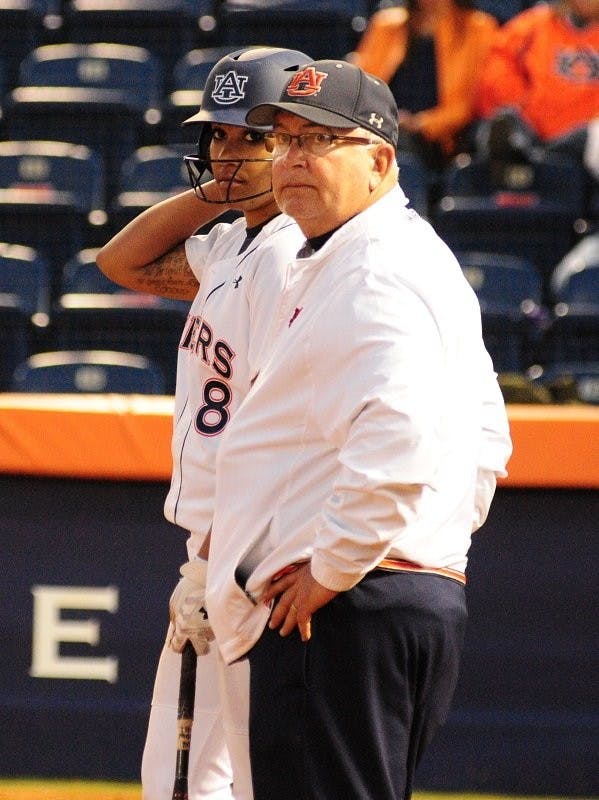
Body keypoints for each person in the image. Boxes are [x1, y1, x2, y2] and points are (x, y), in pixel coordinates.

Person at [203, 60, 513, 799]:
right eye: (283, 141)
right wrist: (427, 549)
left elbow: (397, 438)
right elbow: (486, 432)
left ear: (378, 159)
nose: (294, 159)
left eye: (320, 141)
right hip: (385, 594)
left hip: (344, 611)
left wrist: (339, 565)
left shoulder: (374, 269)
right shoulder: (379, 256)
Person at [95, 46, 310, 800]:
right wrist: (221, 193)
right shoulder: (232, 242)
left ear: (300, 143)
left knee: (198, 778)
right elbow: (118, 262)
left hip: (251, 545)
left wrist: (225, 553)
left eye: (254, 137)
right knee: (193, 775)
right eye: (218, 136)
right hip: (224, 544)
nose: (230, 151)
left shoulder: (293, 256)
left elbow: (282, 418)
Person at [351, 0, 499, 170]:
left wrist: (419, 123)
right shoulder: (385, 25)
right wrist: (388, 120)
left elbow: (469, 106)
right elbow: (361, 91)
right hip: (383, 126)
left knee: (397, 145)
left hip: (442, 140)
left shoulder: (479, 28)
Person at [475, 0, 599, 180]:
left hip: (587, 140)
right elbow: (498, 70)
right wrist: (521, 104)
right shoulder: (535, 24)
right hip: (530, 133)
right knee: (502, 123)